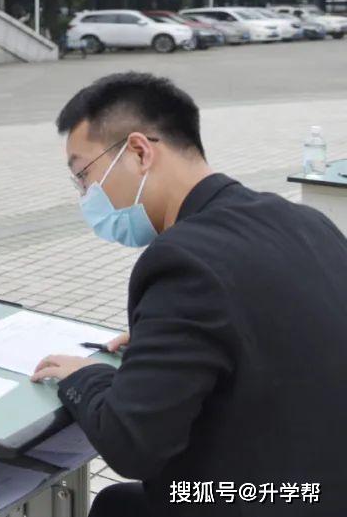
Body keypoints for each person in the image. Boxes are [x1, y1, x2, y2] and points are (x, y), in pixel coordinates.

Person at [31, 72, 347, 517]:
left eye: (84, 175)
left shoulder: (184, 262)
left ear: (139, 152)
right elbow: (263, 325)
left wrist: (86, 377)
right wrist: (163, 345)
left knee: (120, 505)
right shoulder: (303, 221)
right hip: (319, 483)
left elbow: (132, 445)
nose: (86, 195)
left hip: (265, 496)